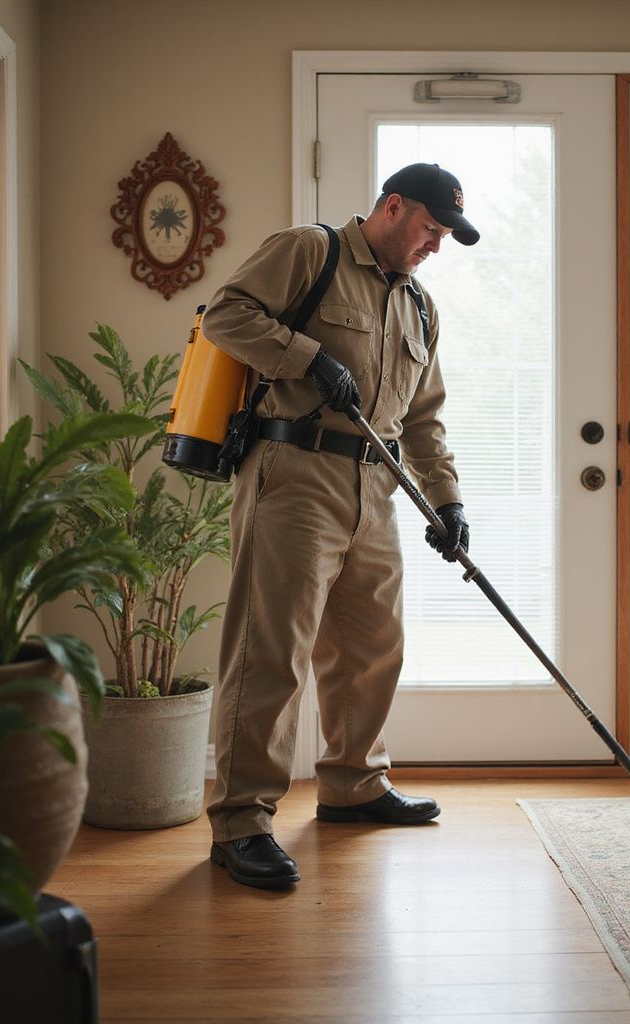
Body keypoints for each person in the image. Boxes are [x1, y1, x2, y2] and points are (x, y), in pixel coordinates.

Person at [204, 163, 478, 889]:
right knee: (272, 650)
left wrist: (447, 501)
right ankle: (239, 821)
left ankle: (353, 785)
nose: (435, 247)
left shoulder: (420, 307)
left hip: (375, 486)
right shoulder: (310, 251)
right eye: (430, 229)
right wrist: (308, 358)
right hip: (294, 474)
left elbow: (423, 418)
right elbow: (225, 315)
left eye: (446, 236)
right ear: (393, 207)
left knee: (370, 646)